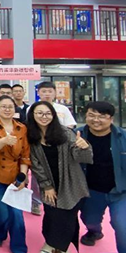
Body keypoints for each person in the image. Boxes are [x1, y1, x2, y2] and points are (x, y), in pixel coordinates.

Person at [78, 102, 126, 253]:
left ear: (111, 119)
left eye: (102, 116)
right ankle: (95, 231)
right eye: (91, 115)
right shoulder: (77, 135)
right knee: (88, 218)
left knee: (122, 225)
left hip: (124, 191)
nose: (96, 120)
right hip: (92, 189)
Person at [27, 101, 93, 253]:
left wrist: (83, 147)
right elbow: (35, 164)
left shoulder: (65, 133)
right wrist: (47, 185)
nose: (44, 117)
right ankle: (51, 243)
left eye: (48, 113)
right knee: (51, 212)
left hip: (70, 180)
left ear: (53, 115)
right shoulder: (31, 136)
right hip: (48, 182)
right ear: (32, 115)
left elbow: (80, 157)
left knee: (69, 214)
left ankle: (62, 247)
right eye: (39, 113)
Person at [0, 95, 31, 253]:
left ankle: (19, 247)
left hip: (15, 176)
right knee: (1, 213)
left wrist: (23, 176)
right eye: (3, 106)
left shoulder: (21, 128)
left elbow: (25, 156)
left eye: (10, 106)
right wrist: (4, 140)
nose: (7, 109)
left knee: (17, 215)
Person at [30, 81, 77, 216]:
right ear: (38, 93)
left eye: (50, 91)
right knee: (37, 175)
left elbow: (70, 125)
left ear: (55, 93)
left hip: (60, 146)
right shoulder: (33, 108)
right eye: (43, 91)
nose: (47, 94)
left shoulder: (62, 109)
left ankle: (63, 198)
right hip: (39, 145)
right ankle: (36, 202)